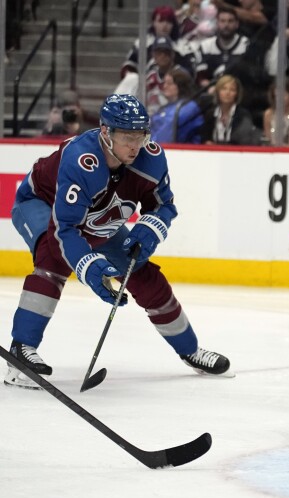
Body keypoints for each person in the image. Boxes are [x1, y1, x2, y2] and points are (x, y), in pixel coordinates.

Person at [5, 94, 230, 390]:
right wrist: (89, 266)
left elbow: (164, 206)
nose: (135, 145)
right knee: (52, 258)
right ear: (105, 132)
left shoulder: (150, 158)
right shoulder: (80, 161)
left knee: (143, 274)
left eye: (140, 134)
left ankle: (190, 349)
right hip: (41, 204)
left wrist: (150, 228)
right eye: (127, 136)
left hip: (98, 219)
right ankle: (20, 351)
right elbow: (66, 230)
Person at [194, 5, 251, 87]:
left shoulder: (246, 45)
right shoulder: (206, 45)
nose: (226, 25)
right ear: (217, 23)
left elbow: (248, 76)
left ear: (237, 24)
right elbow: (201, 76)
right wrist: (214, 89)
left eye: (230, 21)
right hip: (211, 92)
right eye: (222, 21)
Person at [199, 74, 261, 145]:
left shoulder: (243, 115)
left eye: (232, 90)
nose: (227, 93)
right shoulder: (210, 114)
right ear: (217, 92)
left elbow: (243, 141)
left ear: (237, 94)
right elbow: (204, 138)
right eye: (224, 89)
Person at [150, 68, 205, 144]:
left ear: (180, 85)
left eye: (169, 83)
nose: (165, 86)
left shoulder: (188, 107)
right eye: (164, 83)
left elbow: (165, 134)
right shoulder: (163, 108)